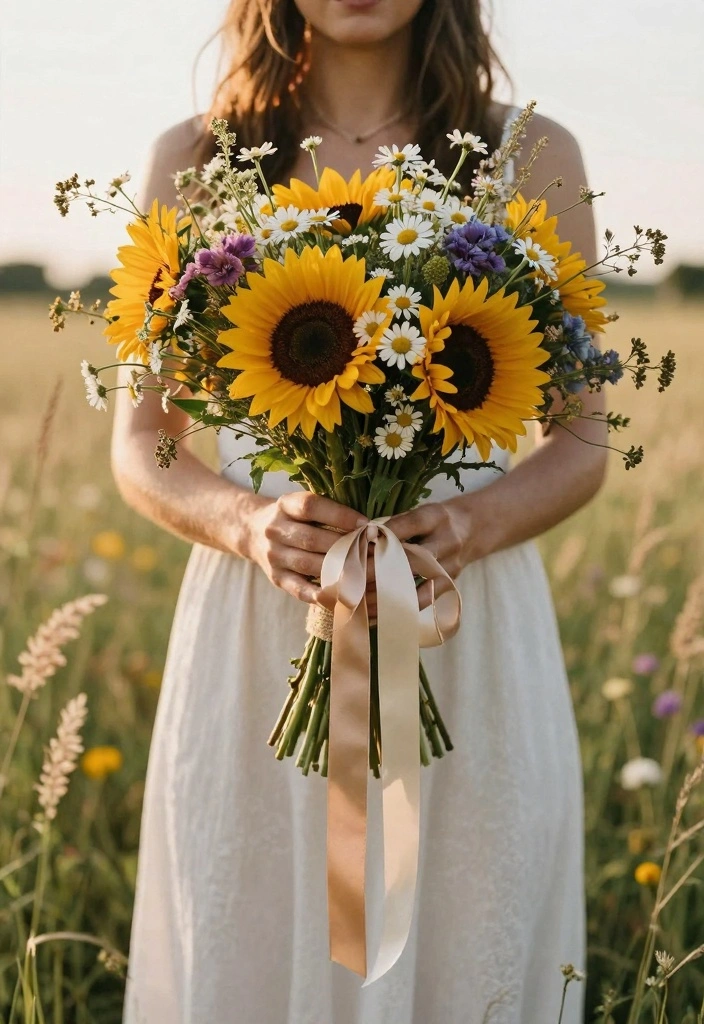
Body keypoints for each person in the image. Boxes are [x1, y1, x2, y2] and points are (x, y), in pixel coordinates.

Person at [114, 1, 607, 1021]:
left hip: (457, 622)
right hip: (266, 626)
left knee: (464, 941)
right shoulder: (197, 160)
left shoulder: (530, 156)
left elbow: (580, 439)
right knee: (254, 935)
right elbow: (142, 443)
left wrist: (467, 525)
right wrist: (244, 523)